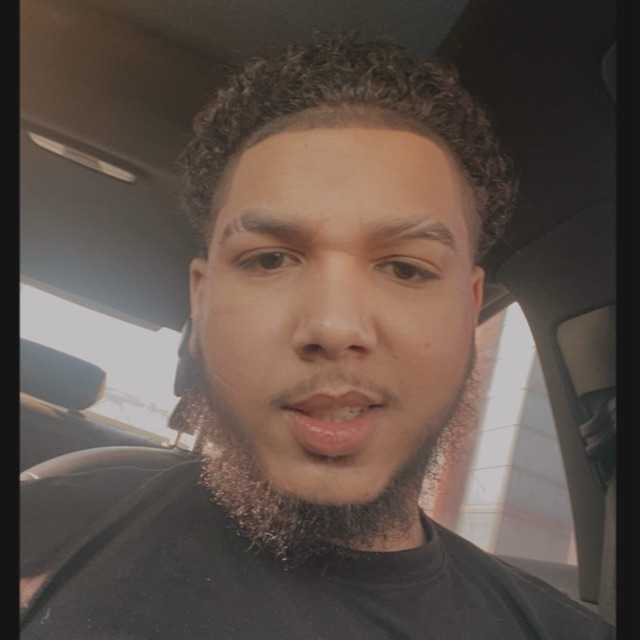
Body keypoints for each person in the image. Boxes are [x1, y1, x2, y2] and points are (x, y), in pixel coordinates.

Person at [20, 33, 614, 639]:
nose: (334, 327)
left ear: (470, 307)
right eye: (269, 259)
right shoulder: (48, 521)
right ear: (201, 298)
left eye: (405, 268)